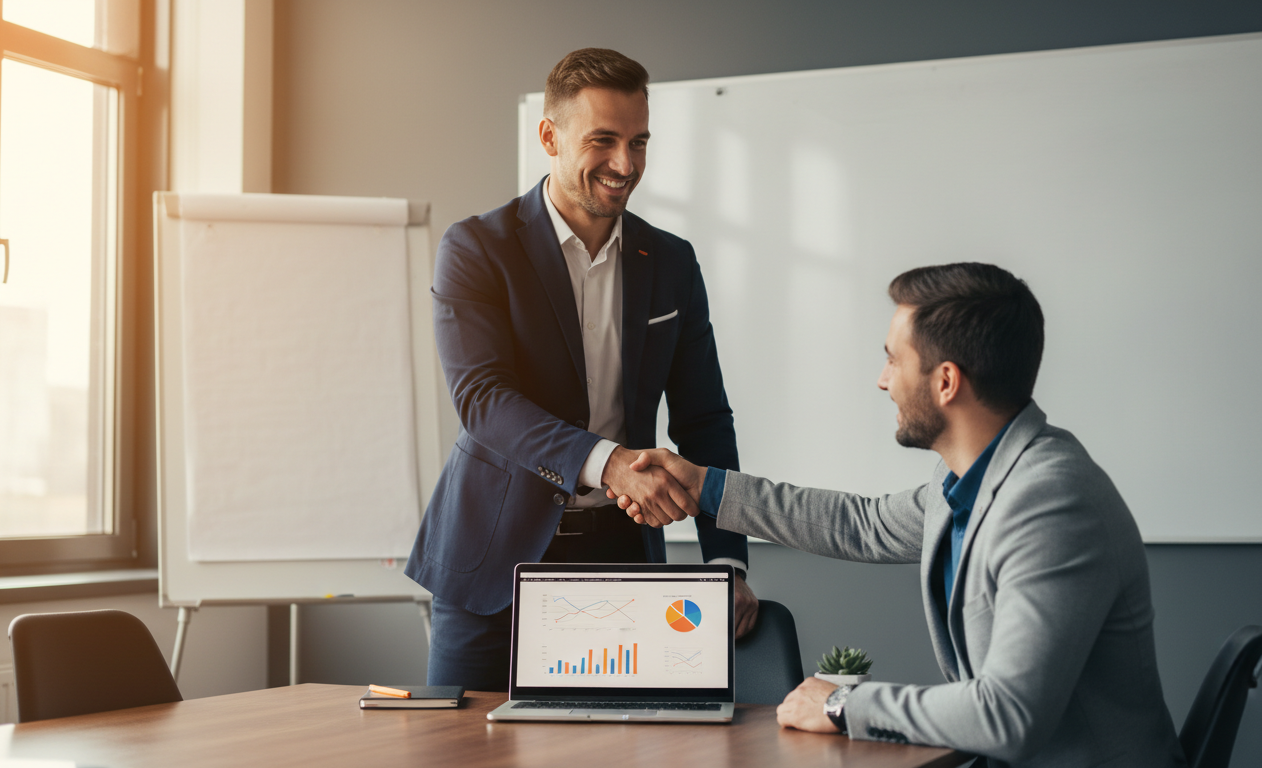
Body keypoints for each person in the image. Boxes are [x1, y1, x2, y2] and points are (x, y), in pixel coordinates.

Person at [610, 263, 1186, 767]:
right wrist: (705, 485)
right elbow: (860, 524)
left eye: (893, 360)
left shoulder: (1051, 504)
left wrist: (841, 704)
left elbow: (1009, 715)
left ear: (945, 382)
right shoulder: (966, 478)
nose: (882, 380)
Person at [405, 48, 758, 692]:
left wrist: (727, 560)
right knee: (459, 755)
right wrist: (610, 461)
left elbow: (705, 417)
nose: (626, 166)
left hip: (620, 561)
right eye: (603, 140)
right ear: (550, 136)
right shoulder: (477, 248)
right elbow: (483, 400)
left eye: (639, 142)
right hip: (492, 558)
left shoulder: (672, 262)